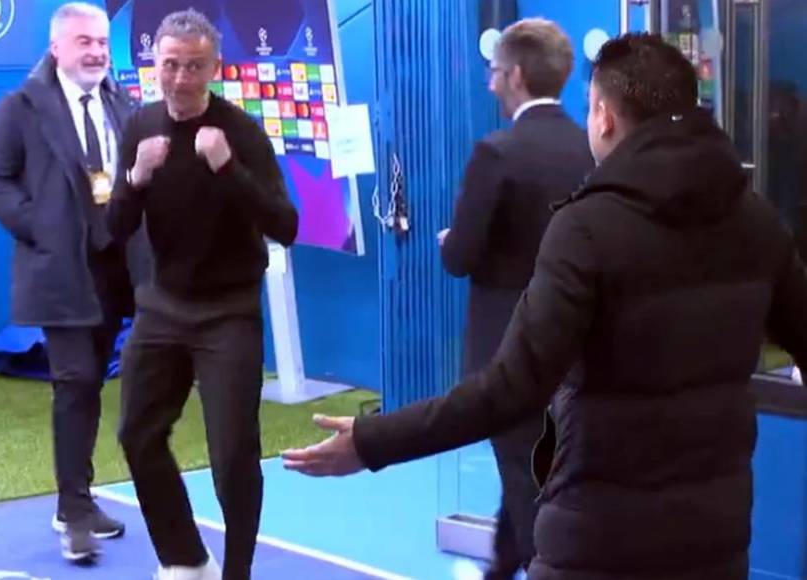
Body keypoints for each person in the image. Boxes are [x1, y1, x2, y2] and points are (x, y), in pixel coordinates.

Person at [283, 32, 807, 580]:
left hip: (600, 539)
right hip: (714, 538)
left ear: (603, 116)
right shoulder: (757, 222)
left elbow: (512, 386)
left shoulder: (587, 226)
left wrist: (371, 440)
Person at [110, 8, 298, 580]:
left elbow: (284, 225)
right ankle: (185, 560)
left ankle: (236, 572)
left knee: (232, 457)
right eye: (171, 65)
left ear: (214, 68)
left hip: (228, 313)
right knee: (137, 435)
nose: (182, 78)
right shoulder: (140, 127)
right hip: (163, 307)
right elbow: (116, 226)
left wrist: (226, 168)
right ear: (154, 65)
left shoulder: (239, 132)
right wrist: (137, 178)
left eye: (194, 66)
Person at [0, 2, 134, 563]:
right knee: (75, 380)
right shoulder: (20, 106)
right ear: (56, 47)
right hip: (59, 268)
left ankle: (81, 498)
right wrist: (38, 225)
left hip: (117, 268)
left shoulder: (119, 99)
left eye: (102, 43)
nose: (96, 52)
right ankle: (72, 511)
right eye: (85, 42)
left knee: (90, 385)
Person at [436, 18, 592, 579]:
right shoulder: (589, 149)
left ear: (517, 75)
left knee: (526, 484)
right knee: (528, 471)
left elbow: (460, 258)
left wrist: (450, 241)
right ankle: (501, 567)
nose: (489, 84)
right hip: (574, 347)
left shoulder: (496, 153)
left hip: (508, 349)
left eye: (495, 73)